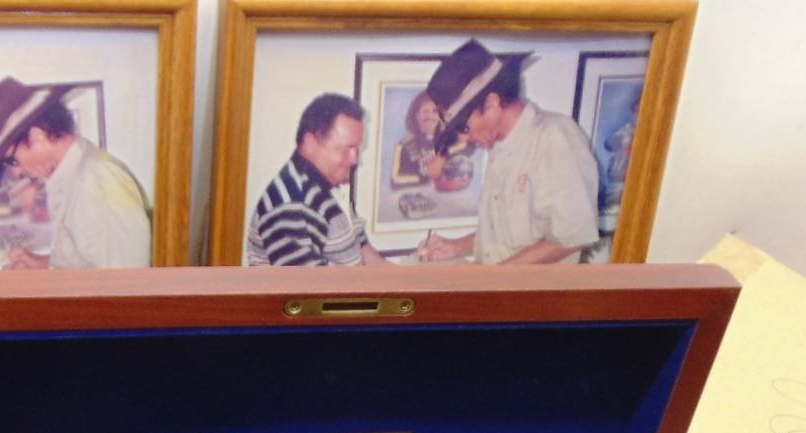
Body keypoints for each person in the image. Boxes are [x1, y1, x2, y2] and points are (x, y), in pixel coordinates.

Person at [414, 40, 600, 265]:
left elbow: (572, 237)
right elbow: (507, 236)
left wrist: (495, 278)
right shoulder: (500, 145)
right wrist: (456, 247)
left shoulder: (554, 137)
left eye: (463, 127)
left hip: (532, 288)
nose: (463, 138)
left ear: (492, 103)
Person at [0, 77, 151, 269]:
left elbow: (125, 281)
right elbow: (90, 264)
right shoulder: (74, 177)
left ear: (36, 138)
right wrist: (41, 264)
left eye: (12, 160)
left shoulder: (95, 180)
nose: (15, 172)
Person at [244, 92, 390, 267]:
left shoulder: (329, 184)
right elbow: (306, 284)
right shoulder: (290, 205)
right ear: (310, 143)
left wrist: (405, 276)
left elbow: (362, 249)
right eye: (346, 149)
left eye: (357, 149)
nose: (354, 160)